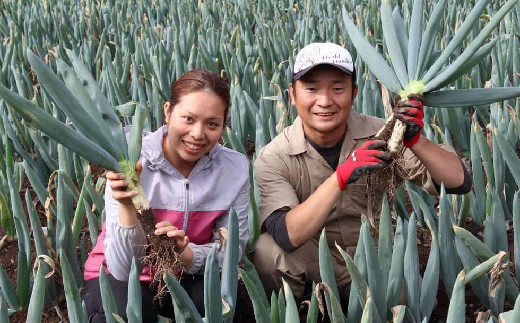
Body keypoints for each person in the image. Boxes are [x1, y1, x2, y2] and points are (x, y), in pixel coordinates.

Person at [251, 43, 472, 305]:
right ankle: (301, 307)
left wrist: (416, 141)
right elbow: (288, 235)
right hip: (314, 256)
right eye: (311, 89)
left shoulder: (383, 134)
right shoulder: (274, 156)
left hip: (375, 255)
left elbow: (460, 182)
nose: (325, 101)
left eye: (337, 88)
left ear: (354, 93)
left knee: (409, 306)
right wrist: (340, 177)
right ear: (292, 94)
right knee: (268, 252)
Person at [82, 69, 250, 322]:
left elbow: (230, 253)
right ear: (168, 111)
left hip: (189, 274)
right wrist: (127, 205)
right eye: (188, 118)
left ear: (224, 125)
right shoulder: (128, 155)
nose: (198, 134)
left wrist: (187, 255)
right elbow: (122, 268)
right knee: (122, 315)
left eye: (212, 124)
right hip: (121, 276)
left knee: (230, 309)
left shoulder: (234, 170)